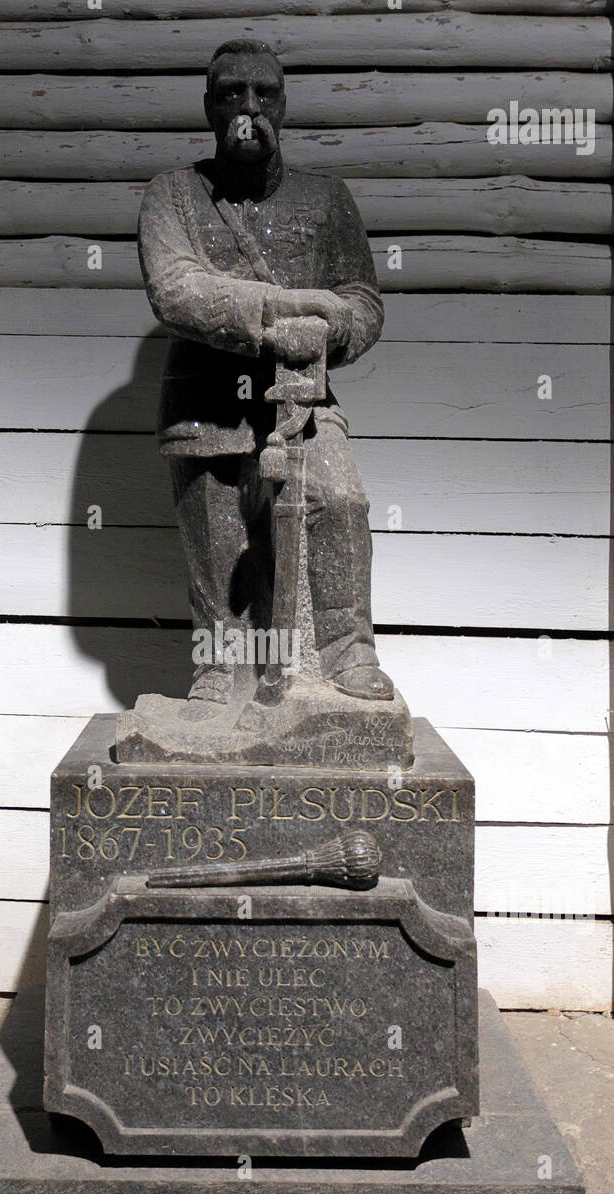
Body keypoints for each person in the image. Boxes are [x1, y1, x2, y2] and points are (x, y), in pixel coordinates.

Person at [137, 38, 392, 704]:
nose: (247, 107)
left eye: (263, 93)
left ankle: (345, 652)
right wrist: (289, 306)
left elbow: (362, 301)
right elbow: (178, 292)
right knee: (218, 551)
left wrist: (330, 325)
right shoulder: (174, 196)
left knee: (342, 502)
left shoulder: (325, 199)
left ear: (283, 104)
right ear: (208, 108)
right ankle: (217, 674)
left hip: (302, 402)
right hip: (204, 408)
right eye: (230, 94)